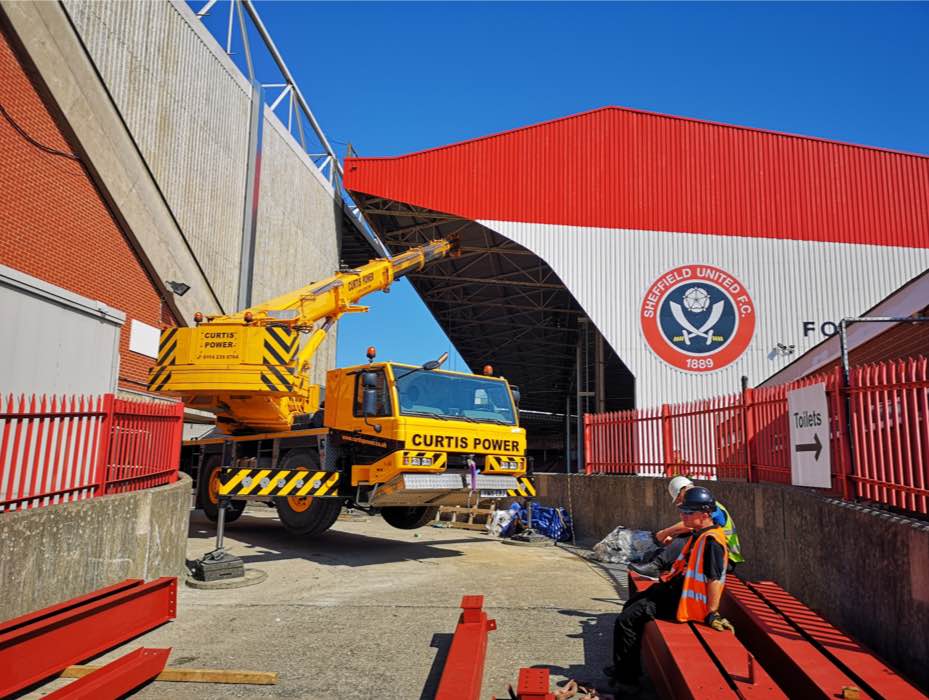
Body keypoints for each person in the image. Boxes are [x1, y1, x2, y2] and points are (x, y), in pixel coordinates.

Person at [605, 487, 736, 690]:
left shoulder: (712, 541)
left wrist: (712, 613)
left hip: (684, 602)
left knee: (627, 620)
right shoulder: (699, 533)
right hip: (675, 589)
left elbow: (715, 578)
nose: (682, 515)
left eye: (688, 512)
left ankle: (627, 679)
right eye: (682, 511)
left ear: (705, 514)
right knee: (631, 604)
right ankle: (624, 667)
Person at [629, 476, 743, 579]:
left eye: (678, 499)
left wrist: (665, 533)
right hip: (715, 554)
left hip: (724, 558)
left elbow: (691, 526)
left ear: (683, 491)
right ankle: (656, 565)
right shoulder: (705, 504)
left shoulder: (711, 506)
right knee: (683, 537)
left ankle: (657, 566)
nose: (679, 503)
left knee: (685, 537)